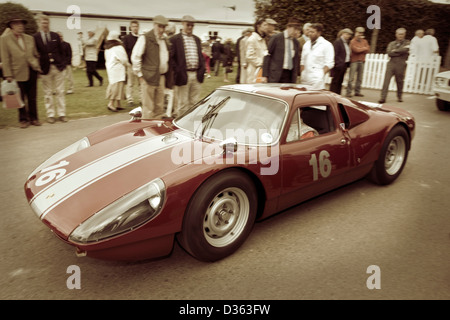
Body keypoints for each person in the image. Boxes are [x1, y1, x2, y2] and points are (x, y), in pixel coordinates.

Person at [0, 17, 42, 128]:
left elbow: (35, 54)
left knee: (32, 97)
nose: (21, 26)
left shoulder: (29, 38)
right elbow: (5, 58)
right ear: (12, 26)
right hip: (16, 73)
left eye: (22, 24)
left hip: (31, 71)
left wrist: (36, 66)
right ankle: (23, 120)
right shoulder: (5, 39)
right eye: (17, 24)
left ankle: (34, 118)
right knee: (20, 98)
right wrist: (7, 74)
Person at [132, 15, 173, 119]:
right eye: (159, 26)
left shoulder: (164, 40)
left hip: (161, 77)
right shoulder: (145, 38)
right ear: (154, 25)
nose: (161, 29)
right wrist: (140, 75)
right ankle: (148, 131)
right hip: (148, 77)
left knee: (159, 107)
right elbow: (136, 57)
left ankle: (157, 130)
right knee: (148, 108)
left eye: (163, 27)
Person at [33, 14, 67, 123]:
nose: (45, 25)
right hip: (44, 68)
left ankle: (62, 114)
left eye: (47, 22)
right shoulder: (35, 37)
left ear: (49, 23)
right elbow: (35, 53)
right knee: (47, 93)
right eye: (43, 22)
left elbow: (62, 51)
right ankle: (50, 114)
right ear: (39, 23)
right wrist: (38, 67)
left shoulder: (55, 36)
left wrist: (63, 64)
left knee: (60, 91)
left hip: (58, 67)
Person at [170, 15, 205, 117]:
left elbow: (200, 56)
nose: (190, 27)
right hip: (183, 75)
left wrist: (202, 69)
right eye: (188, 25)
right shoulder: (174, 39)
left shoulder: (197, 39)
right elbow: (171, 58)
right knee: (183, 103)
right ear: (182, 24)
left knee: (194, 102)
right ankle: (181, 125)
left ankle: (191, 123)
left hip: (196, 74)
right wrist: (178, 71)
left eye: (192, 25)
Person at [262, 17, 301, 84]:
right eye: (295, 29)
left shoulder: (296, 42)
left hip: (289, 75)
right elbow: (267, 56)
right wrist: (265, 75)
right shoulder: (276, 38)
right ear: (288, 27)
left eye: (298, 30)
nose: (296, 32)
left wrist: (296, 75)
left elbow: (296, 60)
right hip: (275, 75)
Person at [378, 28, 410, 103]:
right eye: (399, 34)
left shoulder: (407, 42)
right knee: (386, 81)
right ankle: (383, 97)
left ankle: (399, 96)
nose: (400, 36)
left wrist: (395, 50)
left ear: (404, 34)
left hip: (401, 64)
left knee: (399, 81)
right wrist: (399, 52)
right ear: (396, 34)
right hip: (391, 63)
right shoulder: (392, 43)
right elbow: (389, 52)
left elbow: (405, 50)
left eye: (402, 34)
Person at [300, 23, 334, 89]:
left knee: (315, 97)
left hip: (317, 79)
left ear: (319, 33)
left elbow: (330, 63)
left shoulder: (327, 45)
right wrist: (302, 73)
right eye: (309, 31)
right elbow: (302, 61)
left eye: (312, 32)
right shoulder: (306, 45)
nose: (309, 34)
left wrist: (320, 74)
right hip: (305, 78)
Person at [104, 30, 129, 112]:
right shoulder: (118, 47)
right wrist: (127, 65)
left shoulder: (107, 47)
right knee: (117, 86)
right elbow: (123, 59)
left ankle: (118, 104)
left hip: (111, 68)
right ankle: (111, 103)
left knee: (116, 85)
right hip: (118, 69)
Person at [346, 27, 370, 97]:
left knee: (359, 78)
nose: (360, 34)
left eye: (362, 33)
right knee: (351, 78)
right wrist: (363, 48)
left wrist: (361, 49)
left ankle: (357, 91)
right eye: (359, 32)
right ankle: (348, 92)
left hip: (361, 61)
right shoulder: (352, 41)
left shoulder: (365, 41)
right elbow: (355, 50)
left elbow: (368, 50)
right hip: (354, 61)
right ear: (356, 33)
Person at [122, 20, 140, 107]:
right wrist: (127, 63)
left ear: (138, 27)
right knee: (130, 83)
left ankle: (141, 99)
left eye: (136, 26)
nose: (135, 28)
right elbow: (124, 51)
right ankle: (130, 99)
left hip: (140, 64)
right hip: (130, 64)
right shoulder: (126, 38)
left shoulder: (141, 38)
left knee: (140, 83)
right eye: (133, 26)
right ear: (130, 28)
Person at [330, 28, 353, 94]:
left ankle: (337, 94)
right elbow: (335, 54)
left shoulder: (346, 43)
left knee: (340, 81)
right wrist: (338, 64)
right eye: (347, 34)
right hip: (339, 65)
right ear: (343, 34)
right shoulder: (338, 42)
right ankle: (332, 94)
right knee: (335, 81)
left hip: (344, 64)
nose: (348, 36)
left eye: (349, 35)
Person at [246, 18, 268, 84]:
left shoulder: (262, 39)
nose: (266, 27)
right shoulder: (252, 39)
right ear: (258, 26)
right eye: (264, 25)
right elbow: (249, 56)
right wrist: (261, 63)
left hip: (261, 70)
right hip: (254, 70)